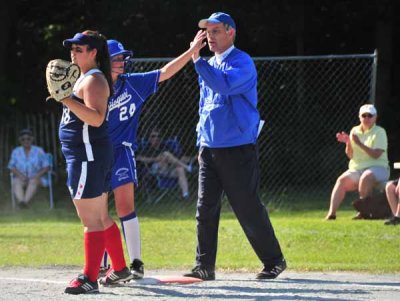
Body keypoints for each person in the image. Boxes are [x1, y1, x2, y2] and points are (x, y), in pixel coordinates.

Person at [183, 12, 286, 281]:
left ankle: (274, 261)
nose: (209, 36)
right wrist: (200, 140)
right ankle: (204, 266)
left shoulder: (241, 62)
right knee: (205, 208)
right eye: (207, 32)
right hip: (209, 147)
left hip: (237, 147)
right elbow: (204, 107)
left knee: (247, 207)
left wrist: (196, 59)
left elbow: (224, 86)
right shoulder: (207, 65)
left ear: (231, 33)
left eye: (216, 31)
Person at [101, 32, 206, 278]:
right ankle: (103, 262)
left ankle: (136, 262)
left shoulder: (133, 84)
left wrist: (191, 52)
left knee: (126, 206)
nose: (123, 61)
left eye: (123, 57)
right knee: (98, 212)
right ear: (104, 61)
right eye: (117, 58)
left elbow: (165, 72)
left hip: (122, 152)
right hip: (98, 153)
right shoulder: (94, 85)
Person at [59, 30, 133, 294]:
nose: (73, 52)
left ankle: (89, 277)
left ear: (93, 53)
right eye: (72, 48)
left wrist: (65, 98)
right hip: (89, 156)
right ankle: (121, 268)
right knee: (100, 216)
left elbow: (97, 118)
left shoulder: (94, 81)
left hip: (87, 156)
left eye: (79, 49)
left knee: (90, 219)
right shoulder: (86, 78)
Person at [325, 104, 389, 220]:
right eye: (364, 115)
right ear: (359, 117)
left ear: (375, 117)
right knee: (342, 180)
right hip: (357, 168)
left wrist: (359, 144)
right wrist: (348, 143)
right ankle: (331, 214)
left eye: (370, 115)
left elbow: (376, 155)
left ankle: (364, 212)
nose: (367, 118)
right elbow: (350, 155)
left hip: (379, 168)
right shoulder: (355, 131)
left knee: (366, 176)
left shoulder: (380, 132)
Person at [136, 127, 193, 199]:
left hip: (168, 169)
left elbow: (176, 157)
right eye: (153, 136)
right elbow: (139, 158)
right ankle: (187, 167)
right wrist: (156, 159)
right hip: (155, 169)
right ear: (149, 138)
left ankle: (185, 195)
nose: (156, 138)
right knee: (166, 154)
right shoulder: (147, 148)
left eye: (158, 136)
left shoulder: (164, 146)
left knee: (180, 169)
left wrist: (191, 158)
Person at [8, 128, 50, 208]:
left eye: (28, 139)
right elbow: (11, 166)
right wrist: (20, 176)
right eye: (23, 139)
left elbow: (46, 166)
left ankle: (23, 203)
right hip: (21, 177)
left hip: (36, 177)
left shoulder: (39, 151)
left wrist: (37, 175)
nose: (26, 141)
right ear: (20, 140)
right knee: (16, 182)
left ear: (32, 139)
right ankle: (22, 203)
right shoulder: (16, 152)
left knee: (33, 181)